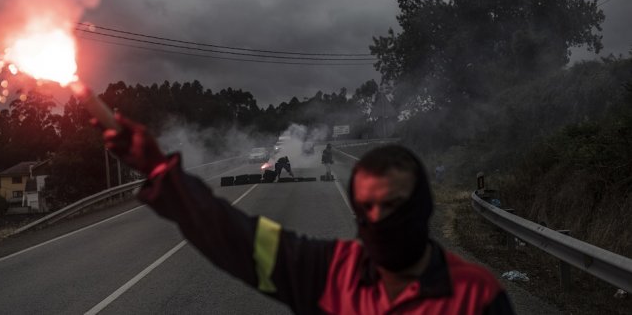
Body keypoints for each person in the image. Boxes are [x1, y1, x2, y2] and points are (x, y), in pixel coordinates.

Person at [100, 115, 515, 314]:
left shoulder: (477, 295)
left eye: (392, 205)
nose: (379, 217)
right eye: (366, 207)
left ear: (423, 205)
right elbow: (236, 238)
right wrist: (160, 170)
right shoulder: (333, 273)